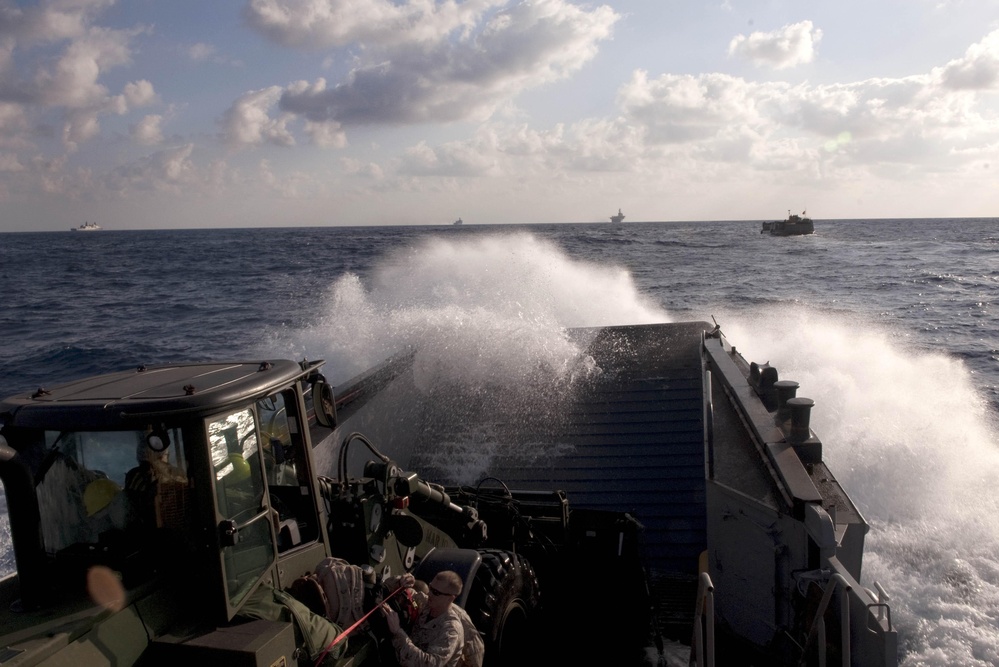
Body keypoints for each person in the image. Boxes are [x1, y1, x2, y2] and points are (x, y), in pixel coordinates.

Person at [381, 570, 481, 667]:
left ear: (450, 598)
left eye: (436, 592)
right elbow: (392, 588)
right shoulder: (426, 604)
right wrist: (401, 581)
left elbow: (429, 663)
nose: (429, 594)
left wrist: (397, 632)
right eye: (430, 588)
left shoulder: (451, 631)